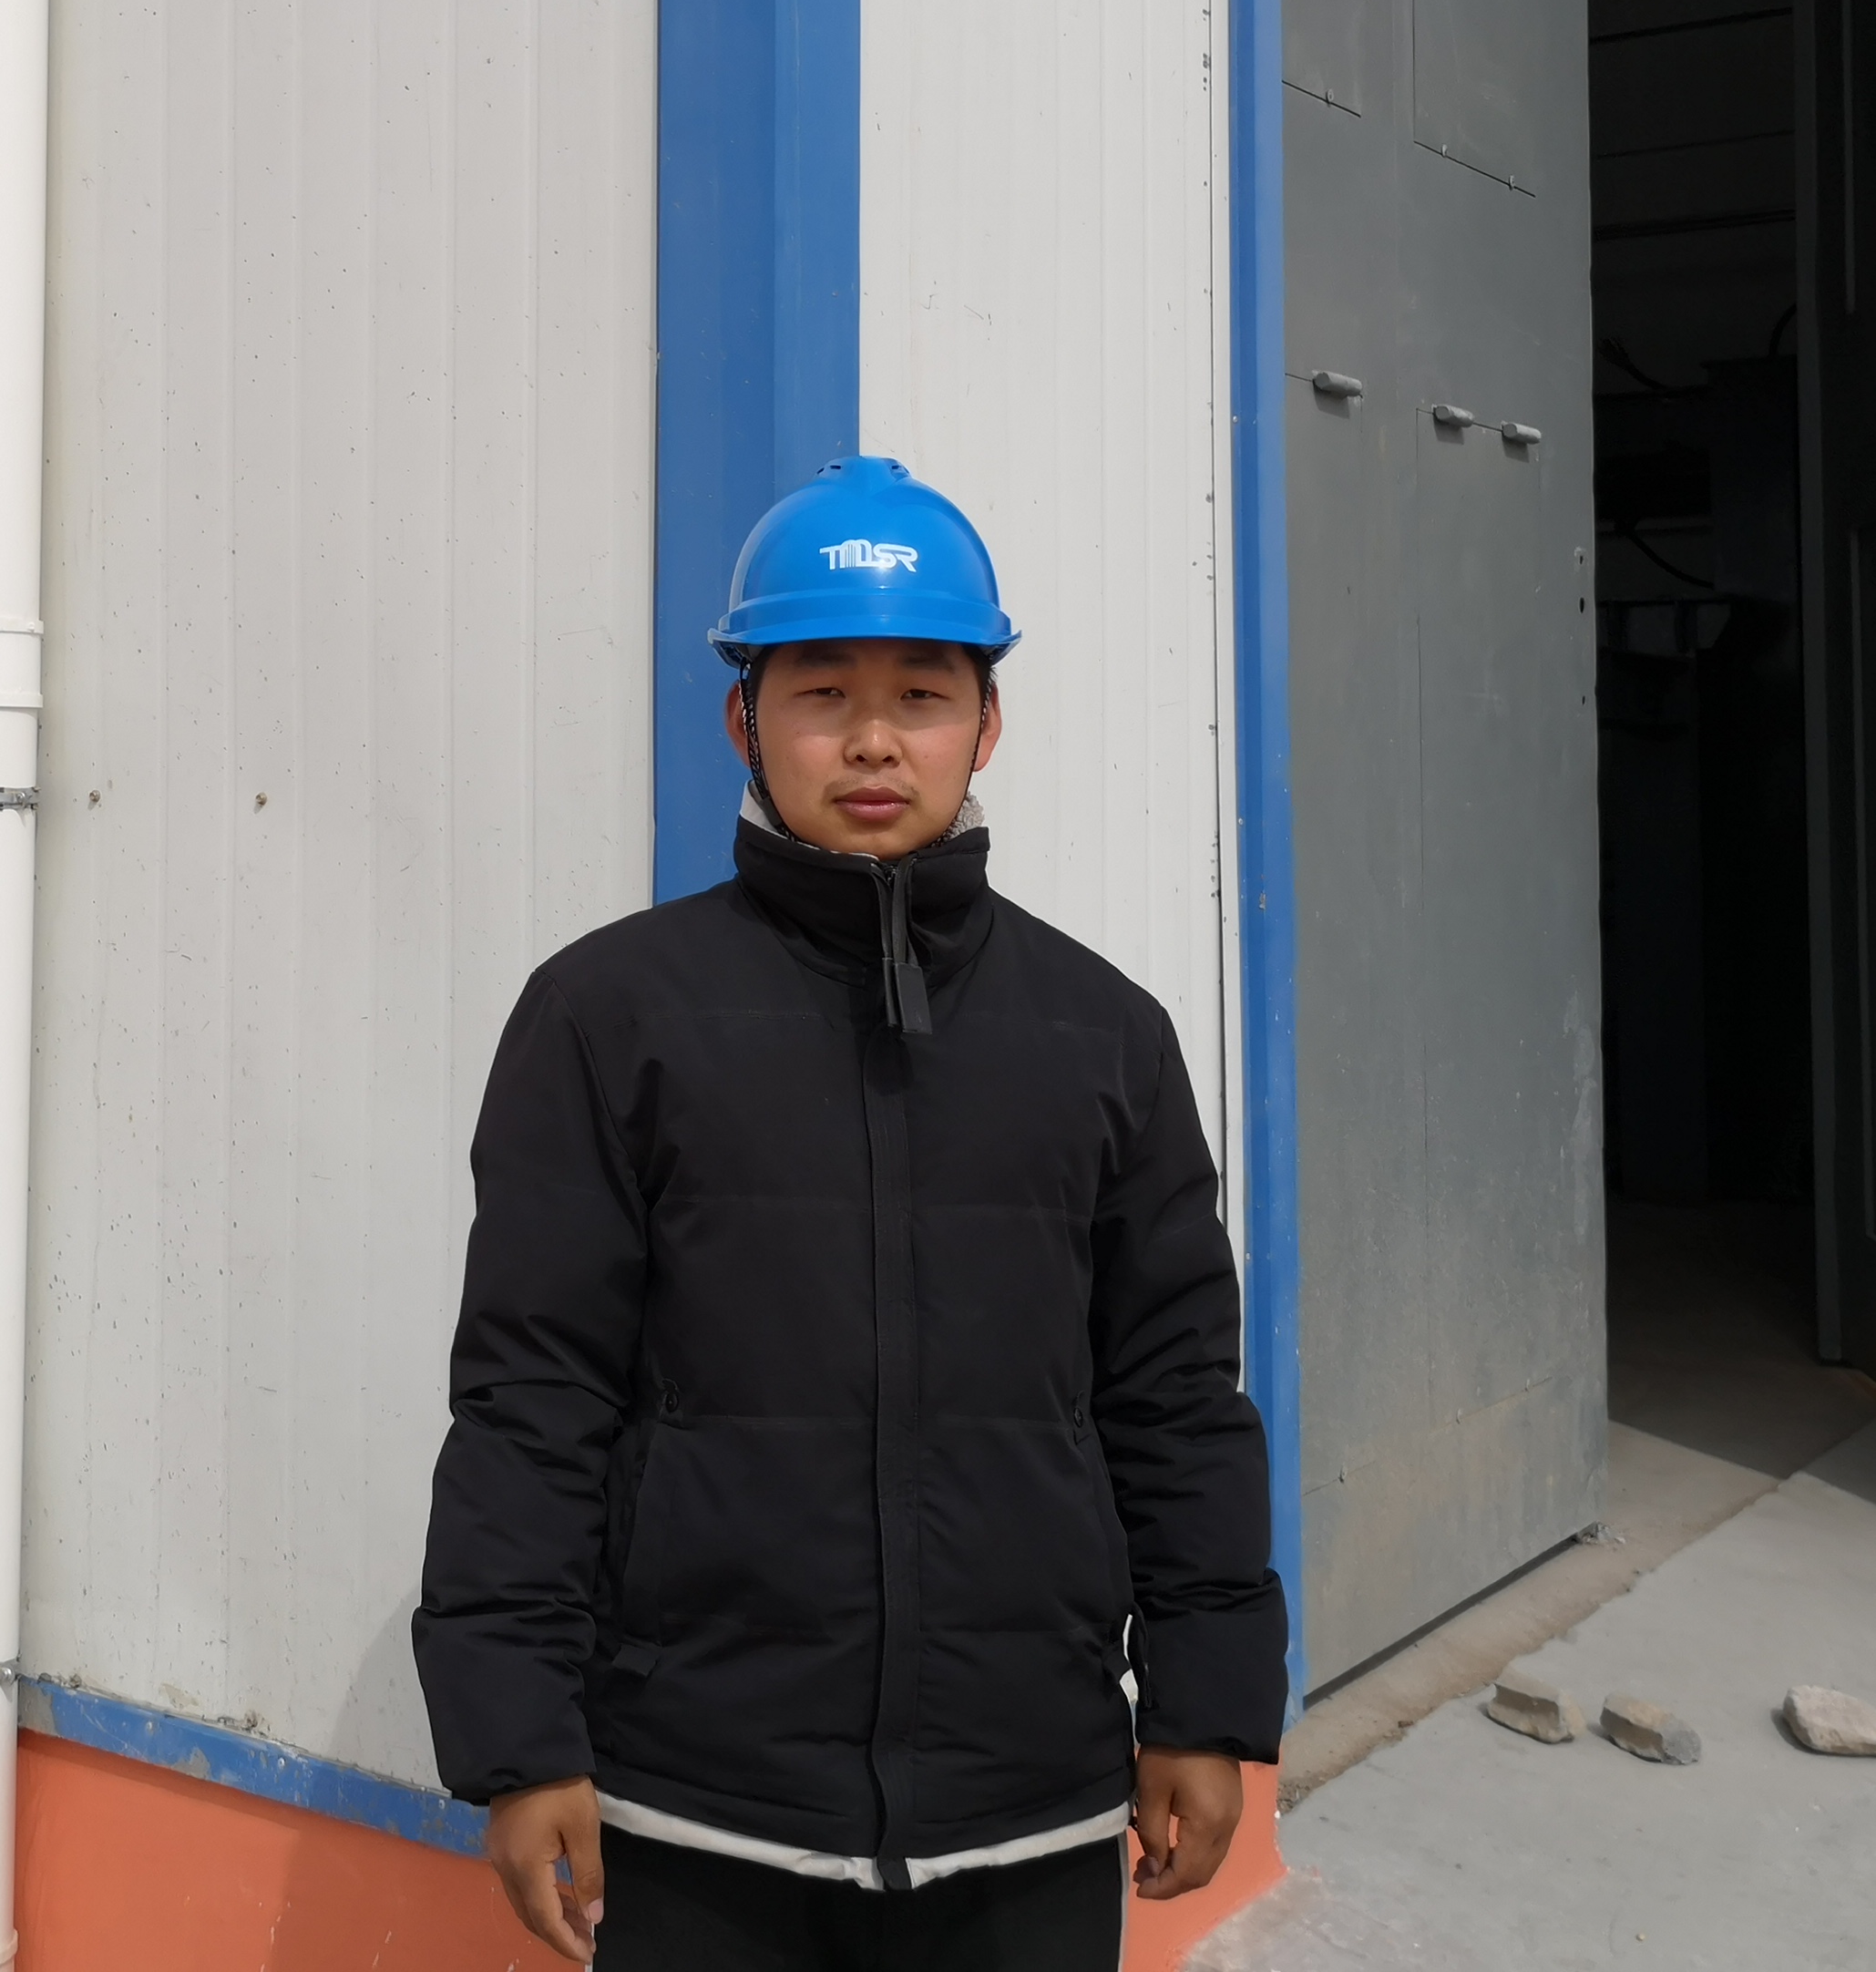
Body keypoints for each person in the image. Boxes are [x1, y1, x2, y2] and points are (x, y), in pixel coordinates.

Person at [414, 456, 1287, 1970]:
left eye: (923, 694)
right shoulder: (609, 1018)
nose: (875, 739)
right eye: (822, 692)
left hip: (1026, 1794)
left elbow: (1174, 1397)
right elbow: (532, 1396)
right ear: (743, 719)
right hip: (698, 1797)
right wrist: (518, 1738)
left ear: (987, 723)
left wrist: (1205, 1706)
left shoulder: (1104, 1035)